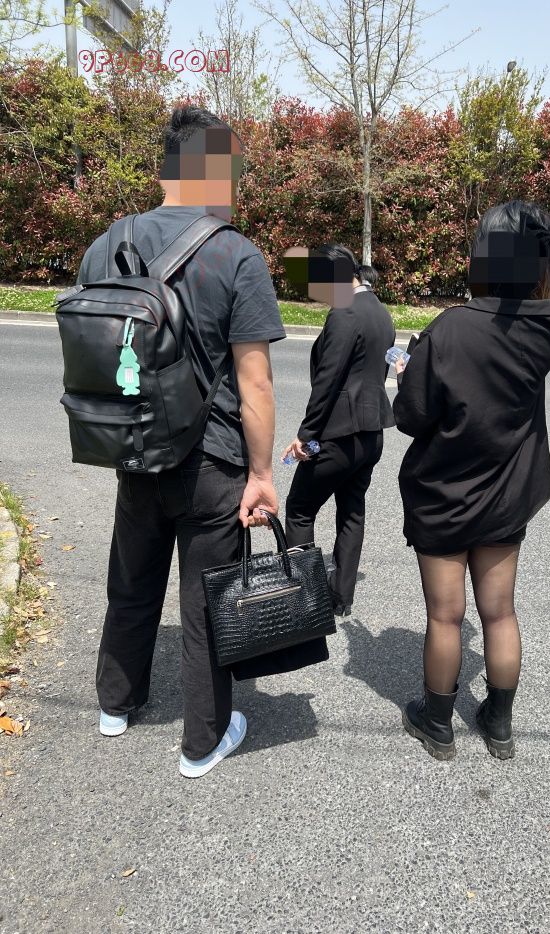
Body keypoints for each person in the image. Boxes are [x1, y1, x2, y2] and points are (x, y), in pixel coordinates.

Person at [77, 106, 286, 778]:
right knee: (206, 603)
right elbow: (256, 384)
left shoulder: (107, 243)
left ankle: (116, 705)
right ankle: (203, 743)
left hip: (133, 448)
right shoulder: (236, 255)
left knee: (131, 582)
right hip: (211, 461)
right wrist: (262, 475)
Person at [394, 200, 550, 762]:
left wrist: (408, 372)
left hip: (443, 497)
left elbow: (411, 417)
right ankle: (499, 724)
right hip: (507, 496)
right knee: (499, 612)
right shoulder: (544, 330)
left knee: (445, 615)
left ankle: (437, 724)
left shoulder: (450, 329)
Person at [282, 244, 396, 617]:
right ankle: (340, 596)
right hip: (371, 433)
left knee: (300, 509)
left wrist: (306, 435)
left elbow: (328, 382)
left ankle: (306, 601)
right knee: (351, 512)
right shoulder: (379, 311)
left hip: (337, 434)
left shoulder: (344, 313)